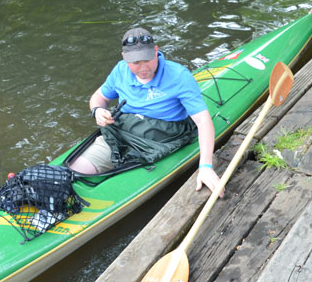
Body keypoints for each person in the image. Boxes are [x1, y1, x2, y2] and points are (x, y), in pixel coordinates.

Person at [69, 27, 224, 197]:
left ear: (156, 51)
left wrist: (206, 167)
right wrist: (97, 111)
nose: (142, 68)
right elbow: (99, 97)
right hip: (123, 131)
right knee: (75, 172)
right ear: (124, 57)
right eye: (135, 63)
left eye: (147, 60)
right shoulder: (120, 71)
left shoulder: (179, 76)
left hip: (163, 136)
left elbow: (203, 121)